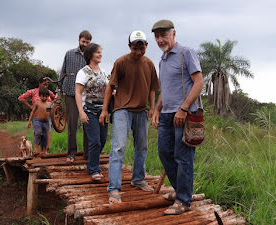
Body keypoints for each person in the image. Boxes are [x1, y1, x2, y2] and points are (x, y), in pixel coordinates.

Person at [99, 30, 160, 204]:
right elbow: (111, 87)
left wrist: (152, 108)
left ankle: (138, 179)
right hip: (122, 110)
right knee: (118, 148)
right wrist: (105, 110)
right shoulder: (121, 62)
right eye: (135, 48)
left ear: (146, 46)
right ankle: (114, 188)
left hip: (141, 111)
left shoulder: (149, 64)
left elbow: (152, 88)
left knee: (142, 147)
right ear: (129, 47)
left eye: (142, 48)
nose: (138, 52)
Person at [151, 20, 204, 215]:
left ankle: (183, 200)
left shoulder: (186, 53)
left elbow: (199, 83)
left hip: (184, 114)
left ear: (173, 33)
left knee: (183, 158)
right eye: (156, 36)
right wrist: (157, 109)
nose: (160, 39)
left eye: (163, 35)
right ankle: (180, 190)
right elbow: (166, 89)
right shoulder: (162, 59)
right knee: (165, 153)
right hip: (166, 115)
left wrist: (183, 108)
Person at [75, 43, 108, 181]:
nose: (100, 54)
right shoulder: (83, 72)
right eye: (97, 52)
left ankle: (91, 164)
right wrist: (81, 112)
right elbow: (77, 92)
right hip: (89, 111)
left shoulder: (103, 72)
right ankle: (94, 169)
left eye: (100, 52)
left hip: (103, 112)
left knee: (102, 140)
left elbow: (108, 90)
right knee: (95, 141)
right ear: (90, 54)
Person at [60, 30, 92, 163]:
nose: (85, 44)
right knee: (72, 125)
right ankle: (71, 154)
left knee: (87, 124)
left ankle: (87, 153)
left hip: (86, 95)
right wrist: (59, 89)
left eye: (88, 42)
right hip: (71, 93)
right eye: (83, 41)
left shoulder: (91, 56)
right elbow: (62, 72)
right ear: (79, 40)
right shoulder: (69, 54)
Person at [18, 77, 56, 152]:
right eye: (44, 84)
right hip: (37, 116)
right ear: (39, 83)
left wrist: (52, 108)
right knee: (37, 133)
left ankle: (44, 150)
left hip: (47, 117)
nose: (45, 86)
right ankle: (35, 151)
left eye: (47, 85)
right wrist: (30, 107)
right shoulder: (33, 92)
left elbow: (55, 99)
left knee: (46, 134)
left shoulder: (48, 92)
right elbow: (21, 98)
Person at [28, 88, 52, 155]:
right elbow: (32, 112)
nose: (44, 98)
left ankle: (43, 150)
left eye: (46, 96)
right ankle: (35, 149)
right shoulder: (37, 103)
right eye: (42, 96)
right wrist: (29, 121)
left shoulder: (49, 104)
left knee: (45, 136)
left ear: (48, 96)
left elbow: (52, 113)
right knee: (38, 133)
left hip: (46, 122)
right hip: (38, 121)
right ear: (39, 96)